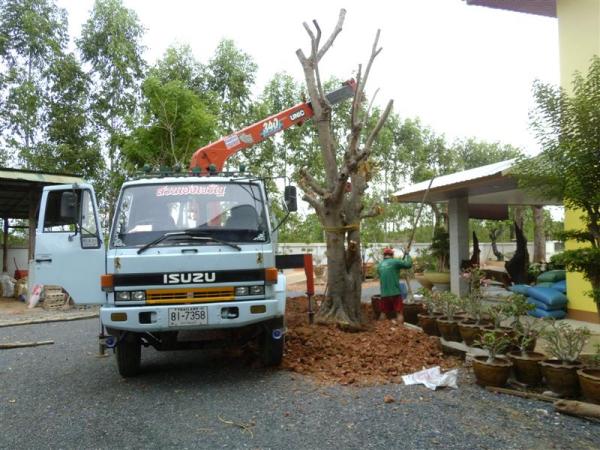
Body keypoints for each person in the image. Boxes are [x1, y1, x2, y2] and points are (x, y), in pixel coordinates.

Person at [376, 247, 412, 323]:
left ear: (384, 255)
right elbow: (408, 265)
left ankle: (381, 329)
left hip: (384, 294)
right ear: (392, 255)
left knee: (383, 312)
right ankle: (400, 330)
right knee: (399, 313)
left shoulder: (379, 265)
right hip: (395, 292)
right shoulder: (395, 261)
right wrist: (407, 254)